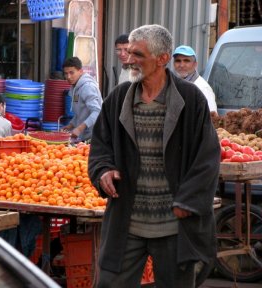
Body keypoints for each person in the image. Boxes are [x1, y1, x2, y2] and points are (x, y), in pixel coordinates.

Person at [88, 24, 221, 288]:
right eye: (129, 53)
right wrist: (103, 170)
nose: (130, 60)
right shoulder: (118, 98)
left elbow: (207, 158)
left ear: (162, 59)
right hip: (127, 223)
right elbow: (100, 145)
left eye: (138, 54)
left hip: (174, 226)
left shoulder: (190, 100)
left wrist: (189, 202)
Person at [61, 56, 102, 142]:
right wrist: (71, 125)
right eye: (66, 73)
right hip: (85, 136)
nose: (68, 76)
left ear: (80, 71)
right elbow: (80, 113)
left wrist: (79, 129)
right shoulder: (75, 88)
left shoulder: (87, 87)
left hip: (95, 136)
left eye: (72, 73)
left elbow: (97, 112)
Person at [172, 45, 217, 112]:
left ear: (195, 64)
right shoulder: (173, 85)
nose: (181, 65)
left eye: (186, 61)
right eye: (178, 61)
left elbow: (212, 116)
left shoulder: (203, 88)